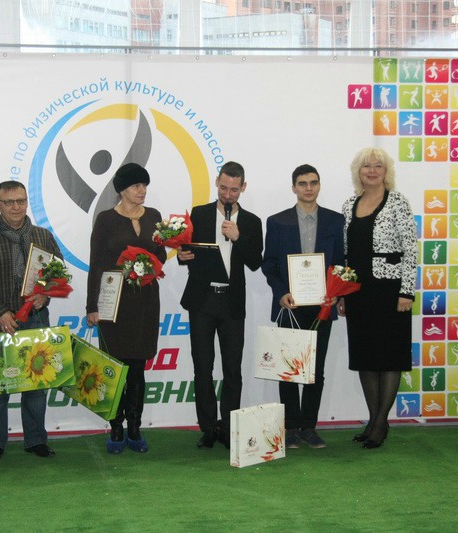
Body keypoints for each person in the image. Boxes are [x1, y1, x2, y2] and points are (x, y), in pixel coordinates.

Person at [0, 181, 63, 462]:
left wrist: (44, 294)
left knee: (37, 382)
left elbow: (58, 270)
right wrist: (0, 312)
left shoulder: (43, 236)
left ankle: (36, 440)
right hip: (1, 320)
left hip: (36, 317)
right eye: (9, 202)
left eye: (21, 201)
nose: (16, 207)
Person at [337, 147, 418, 449]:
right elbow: (346, 254)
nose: (372, 171)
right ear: (357, 171)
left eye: (378, 166)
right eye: (366, 166)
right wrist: (342, 292)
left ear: (386, 171)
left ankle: (380, 424)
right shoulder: (349, 205)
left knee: (389, 357)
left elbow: (410, 249)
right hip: (358, 292)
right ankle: (374, 420)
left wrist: (406, 292)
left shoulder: (398, 202)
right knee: (366, 357)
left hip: (390, 292)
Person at [178, 161, 263, 449]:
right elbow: (187, 251)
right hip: (202, 300)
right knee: (202, 367)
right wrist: (182, 256)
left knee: (232, 369)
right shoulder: (199, 214)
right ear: (217, 182)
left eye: (234, 190)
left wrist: (238, 237)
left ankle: (229, 427)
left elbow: (256, 262)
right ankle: (207, 427)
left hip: (232, 302)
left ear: (243, 187)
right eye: (224, 188)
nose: (228, 195)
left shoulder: (251, 221)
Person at [261, 164, 344, 449]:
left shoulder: (335, 221)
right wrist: (281, 292)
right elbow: (269, 264)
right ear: (293, 187)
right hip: (290, 306)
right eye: (302, 183)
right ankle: (291, 428)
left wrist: (337, 293)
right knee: (288, 371)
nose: (308, 188)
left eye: (313, 183)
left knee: (315, 371)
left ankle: (309, 427)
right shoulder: (277, 221)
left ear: (319, 185)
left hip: (322, 307)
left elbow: (341, 263)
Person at [86, 163, 166, 454]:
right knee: (115, 367)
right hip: (113, 302)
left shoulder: (154, 216)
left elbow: (160, 255)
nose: (142, 191)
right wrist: (92, 305)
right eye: (136, 186)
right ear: (121, 190)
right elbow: (96, 263)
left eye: (144, 185)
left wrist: (149, 264)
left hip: (145, 300)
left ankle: (135, 425)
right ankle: (116, 426)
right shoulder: (106, 219)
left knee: (137, 367)